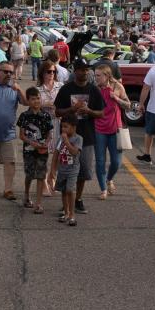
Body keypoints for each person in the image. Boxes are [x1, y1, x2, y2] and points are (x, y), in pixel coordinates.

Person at [53, 59, 104, 216]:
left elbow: (101, 113)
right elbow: (57, 112)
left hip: (87, 137)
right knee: (66, 170)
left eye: (87, 69)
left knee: (83, 171)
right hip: (68, 137)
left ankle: (78, 199)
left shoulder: (94, 90)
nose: (85, 72)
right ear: (75, 71)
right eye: (81, 69)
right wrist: (72, 109)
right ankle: (66, 203)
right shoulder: (66, 89)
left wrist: (88, 111)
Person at [0, 62, 28, 200]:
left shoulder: (14, 88)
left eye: (11, 72)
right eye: (5, 71)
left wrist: (19, 89)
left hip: (8, 133)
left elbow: (26, 103)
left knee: (10, 161)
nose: (8, 74)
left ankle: (8, 189)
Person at [93, 63, 130, 200]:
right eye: (95, 75)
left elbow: (128, 105)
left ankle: (109, 179)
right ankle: (103, 189)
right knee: (100, 161)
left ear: (107, 76)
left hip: (115, 129)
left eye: (98, 75)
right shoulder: (94, 89)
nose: (95, 78)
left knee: (116, 162)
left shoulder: (117, 87)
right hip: (99, 130)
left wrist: (117, 98)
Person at [16, 87, 52, 213]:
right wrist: (33, 143)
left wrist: (46, 143)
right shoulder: (24, 116)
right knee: (30, 174)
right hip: (29, 150)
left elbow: (49, 133)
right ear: (28, 101)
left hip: (42, 150)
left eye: (38, 98)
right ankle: (26, 195)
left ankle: (38, 203)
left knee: (41, 175)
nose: (36, 101)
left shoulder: (46, 115)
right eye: (33, 99)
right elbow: (21, 135)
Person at [37, 62, 63, 194]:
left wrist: (57, 106)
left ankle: (52, 177)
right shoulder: (38, 89)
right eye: (48, 71)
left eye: (54, 72)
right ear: (42, 73)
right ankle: (45, 182)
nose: (51, 74)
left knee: (58, 154)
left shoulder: (61, 87)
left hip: (58, 123)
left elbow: (66, 103)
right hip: (44, 125)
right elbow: (33, 106)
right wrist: (43, 104)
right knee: (44, 154)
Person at [55, 115, 83, 226]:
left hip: (72, 169)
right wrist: (53, 169)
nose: (63, 129)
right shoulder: (60, 139)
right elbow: (57, 153)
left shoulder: (78, 139)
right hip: (62, 169)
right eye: (62, 127)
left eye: (66, 127)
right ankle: (66, 213)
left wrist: (66, 142)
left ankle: (72, 215)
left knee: (70, 190)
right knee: (63, 191)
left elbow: (75, 152)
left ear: (74, 127)